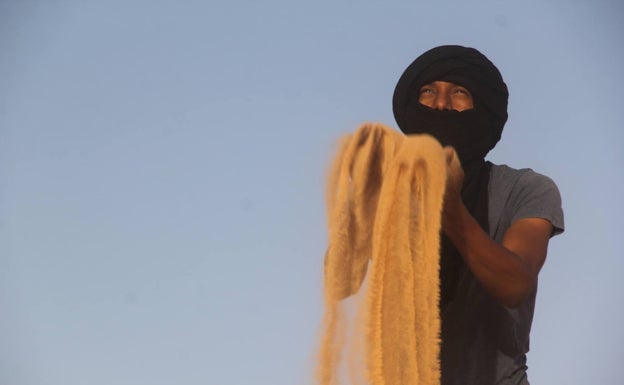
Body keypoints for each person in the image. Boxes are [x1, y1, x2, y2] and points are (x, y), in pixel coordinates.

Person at [391, 45, 564, 385]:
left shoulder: (526, 189)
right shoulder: (390, 194)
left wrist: (448, 211)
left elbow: (515, 284)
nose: (440, 104)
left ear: (481, 108)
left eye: (458, 92)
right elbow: (342, 281)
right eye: (428, 91)